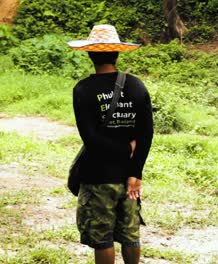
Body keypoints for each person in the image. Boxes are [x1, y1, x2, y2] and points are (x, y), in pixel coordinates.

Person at [68, 24, 153, 264]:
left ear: (90, 54)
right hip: (129, 177)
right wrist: (136, 171)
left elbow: (91, 139)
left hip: (97, 177)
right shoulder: (137, 86)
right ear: (116, 53)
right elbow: (147, 133)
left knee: (102, 238)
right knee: (130, 234)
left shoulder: (83, 89)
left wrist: (124, 151)